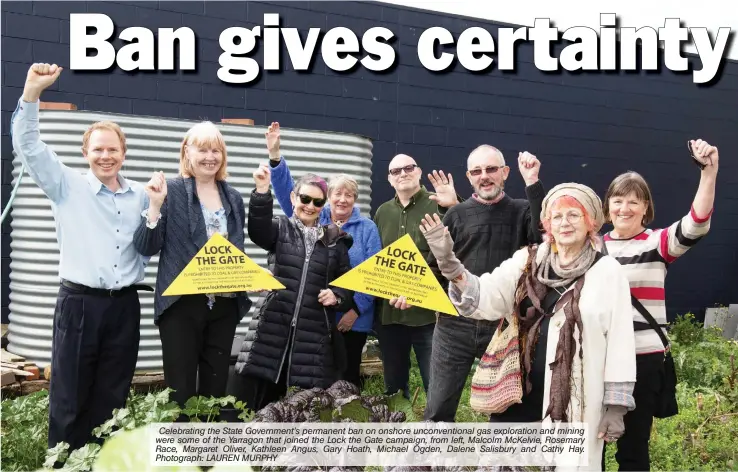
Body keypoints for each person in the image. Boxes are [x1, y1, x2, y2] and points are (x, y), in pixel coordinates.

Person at [392, 183, 637, 471]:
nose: (565, 223)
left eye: (574, 215)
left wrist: (617, 406)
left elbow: (621, 341)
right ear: (547, 223)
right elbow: (486, 296)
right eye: (557, 217)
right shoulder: (528, 260)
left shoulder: (608, 272)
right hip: (517, 391)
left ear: (590, 221)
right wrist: (449, 263)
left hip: (576, 399)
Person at [11, 63, 152, 453]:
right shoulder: (65, 185)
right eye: (98, 149)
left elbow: (153, 238)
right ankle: (63, 463)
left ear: (124, 152)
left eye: (113, 149)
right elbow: (29, 145)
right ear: (85, 152)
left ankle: (102, 460)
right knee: (69, 395)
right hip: (79, 304)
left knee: (113, 395)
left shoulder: (142, 195)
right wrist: (32, 94)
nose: (105, 156)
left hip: (124, 307)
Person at [601, 139, 719, 471]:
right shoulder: (591, 248)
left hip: (643, 359)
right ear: (607, 206)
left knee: (633, 450)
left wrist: (709, 172)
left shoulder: (656, 243)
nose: (624, 208)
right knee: (587, 446)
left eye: (633, 202)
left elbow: (697, 222)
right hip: (597, 356)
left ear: (645, 208)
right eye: (618, 200)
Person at [133, 122, 252, 414]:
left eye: (216, 150)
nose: (210, 156)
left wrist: (249, 277)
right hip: (182, 305)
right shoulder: (171, 191)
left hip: (223, 305)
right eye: (202, 149)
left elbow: (234, 252)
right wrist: (155, 206)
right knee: (180, 391)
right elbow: (146, 246)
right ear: (187, 151)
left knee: (215, 388)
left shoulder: (232, 197)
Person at [424, 145, 546, 422]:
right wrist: (412, 293)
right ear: (469, 177)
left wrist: (533, 182)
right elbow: (434, 267)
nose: (484, 176)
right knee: (439, 405)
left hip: (504, 325)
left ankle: (501, 463)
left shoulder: (523, 210)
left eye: (491, 169)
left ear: (505, 173)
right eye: (477, 171)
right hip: (454, 324)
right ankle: (431, 462)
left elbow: (543, 236)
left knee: (506, 405)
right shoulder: (455, 215)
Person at [263, 122, 382, 390]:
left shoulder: (367, 229)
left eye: (349, 195)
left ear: (355, 200)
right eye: (337, 193)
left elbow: (373, 275)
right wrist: (276, 157)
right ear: (328, 198)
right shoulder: (317, 217)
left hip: (354, 320)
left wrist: (354, 310)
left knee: (347, 379)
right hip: (317, 318)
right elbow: (287, 193)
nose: (342, 199)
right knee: (317, 379)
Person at [234, 165, 355, 412]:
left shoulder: (336, 241)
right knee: (260, 405)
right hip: (272, 330)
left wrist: (337, 296)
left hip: (313, 337)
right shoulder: (280, 228)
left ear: (324, 205)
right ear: (293, 198)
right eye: (305, 198)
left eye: (318, 202)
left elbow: (346, 284)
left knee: (303, 408)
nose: (310, 206)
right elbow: (257, 230)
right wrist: (261, 192)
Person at [372, 153, 460, 399]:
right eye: (395, 171)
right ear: (389, 180)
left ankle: (439, 434)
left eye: (408, 168)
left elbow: (463, 242)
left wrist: (452, 207)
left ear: (419, 172)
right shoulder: (382, 212)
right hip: (391, 315)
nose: (402, 174)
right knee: (394, 390)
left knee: (437, 387)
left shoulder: (439, 202)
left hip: (430, 315)